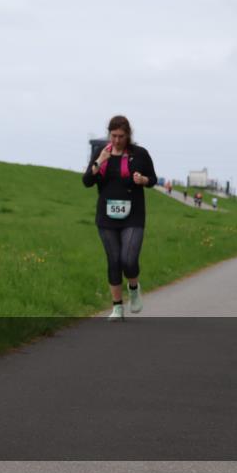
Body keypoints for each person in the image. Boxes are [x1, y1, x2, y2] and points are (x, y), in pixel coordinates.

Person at [82, 116, 157, 322]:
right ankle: (117, 307)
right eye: (113, 136)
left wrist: (143, 180)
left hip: (133, 214)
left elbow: (153, 179)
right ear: (109, 134)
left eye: (121, 136)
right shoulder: (101, 153)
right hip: (106, 215)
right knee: (113, 260)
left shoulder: (140, 154)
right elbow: (87, 181)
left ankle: (133, 288)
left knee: (128, 259)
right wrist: (99, 161)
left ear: (128, 135)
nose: (116, 140)